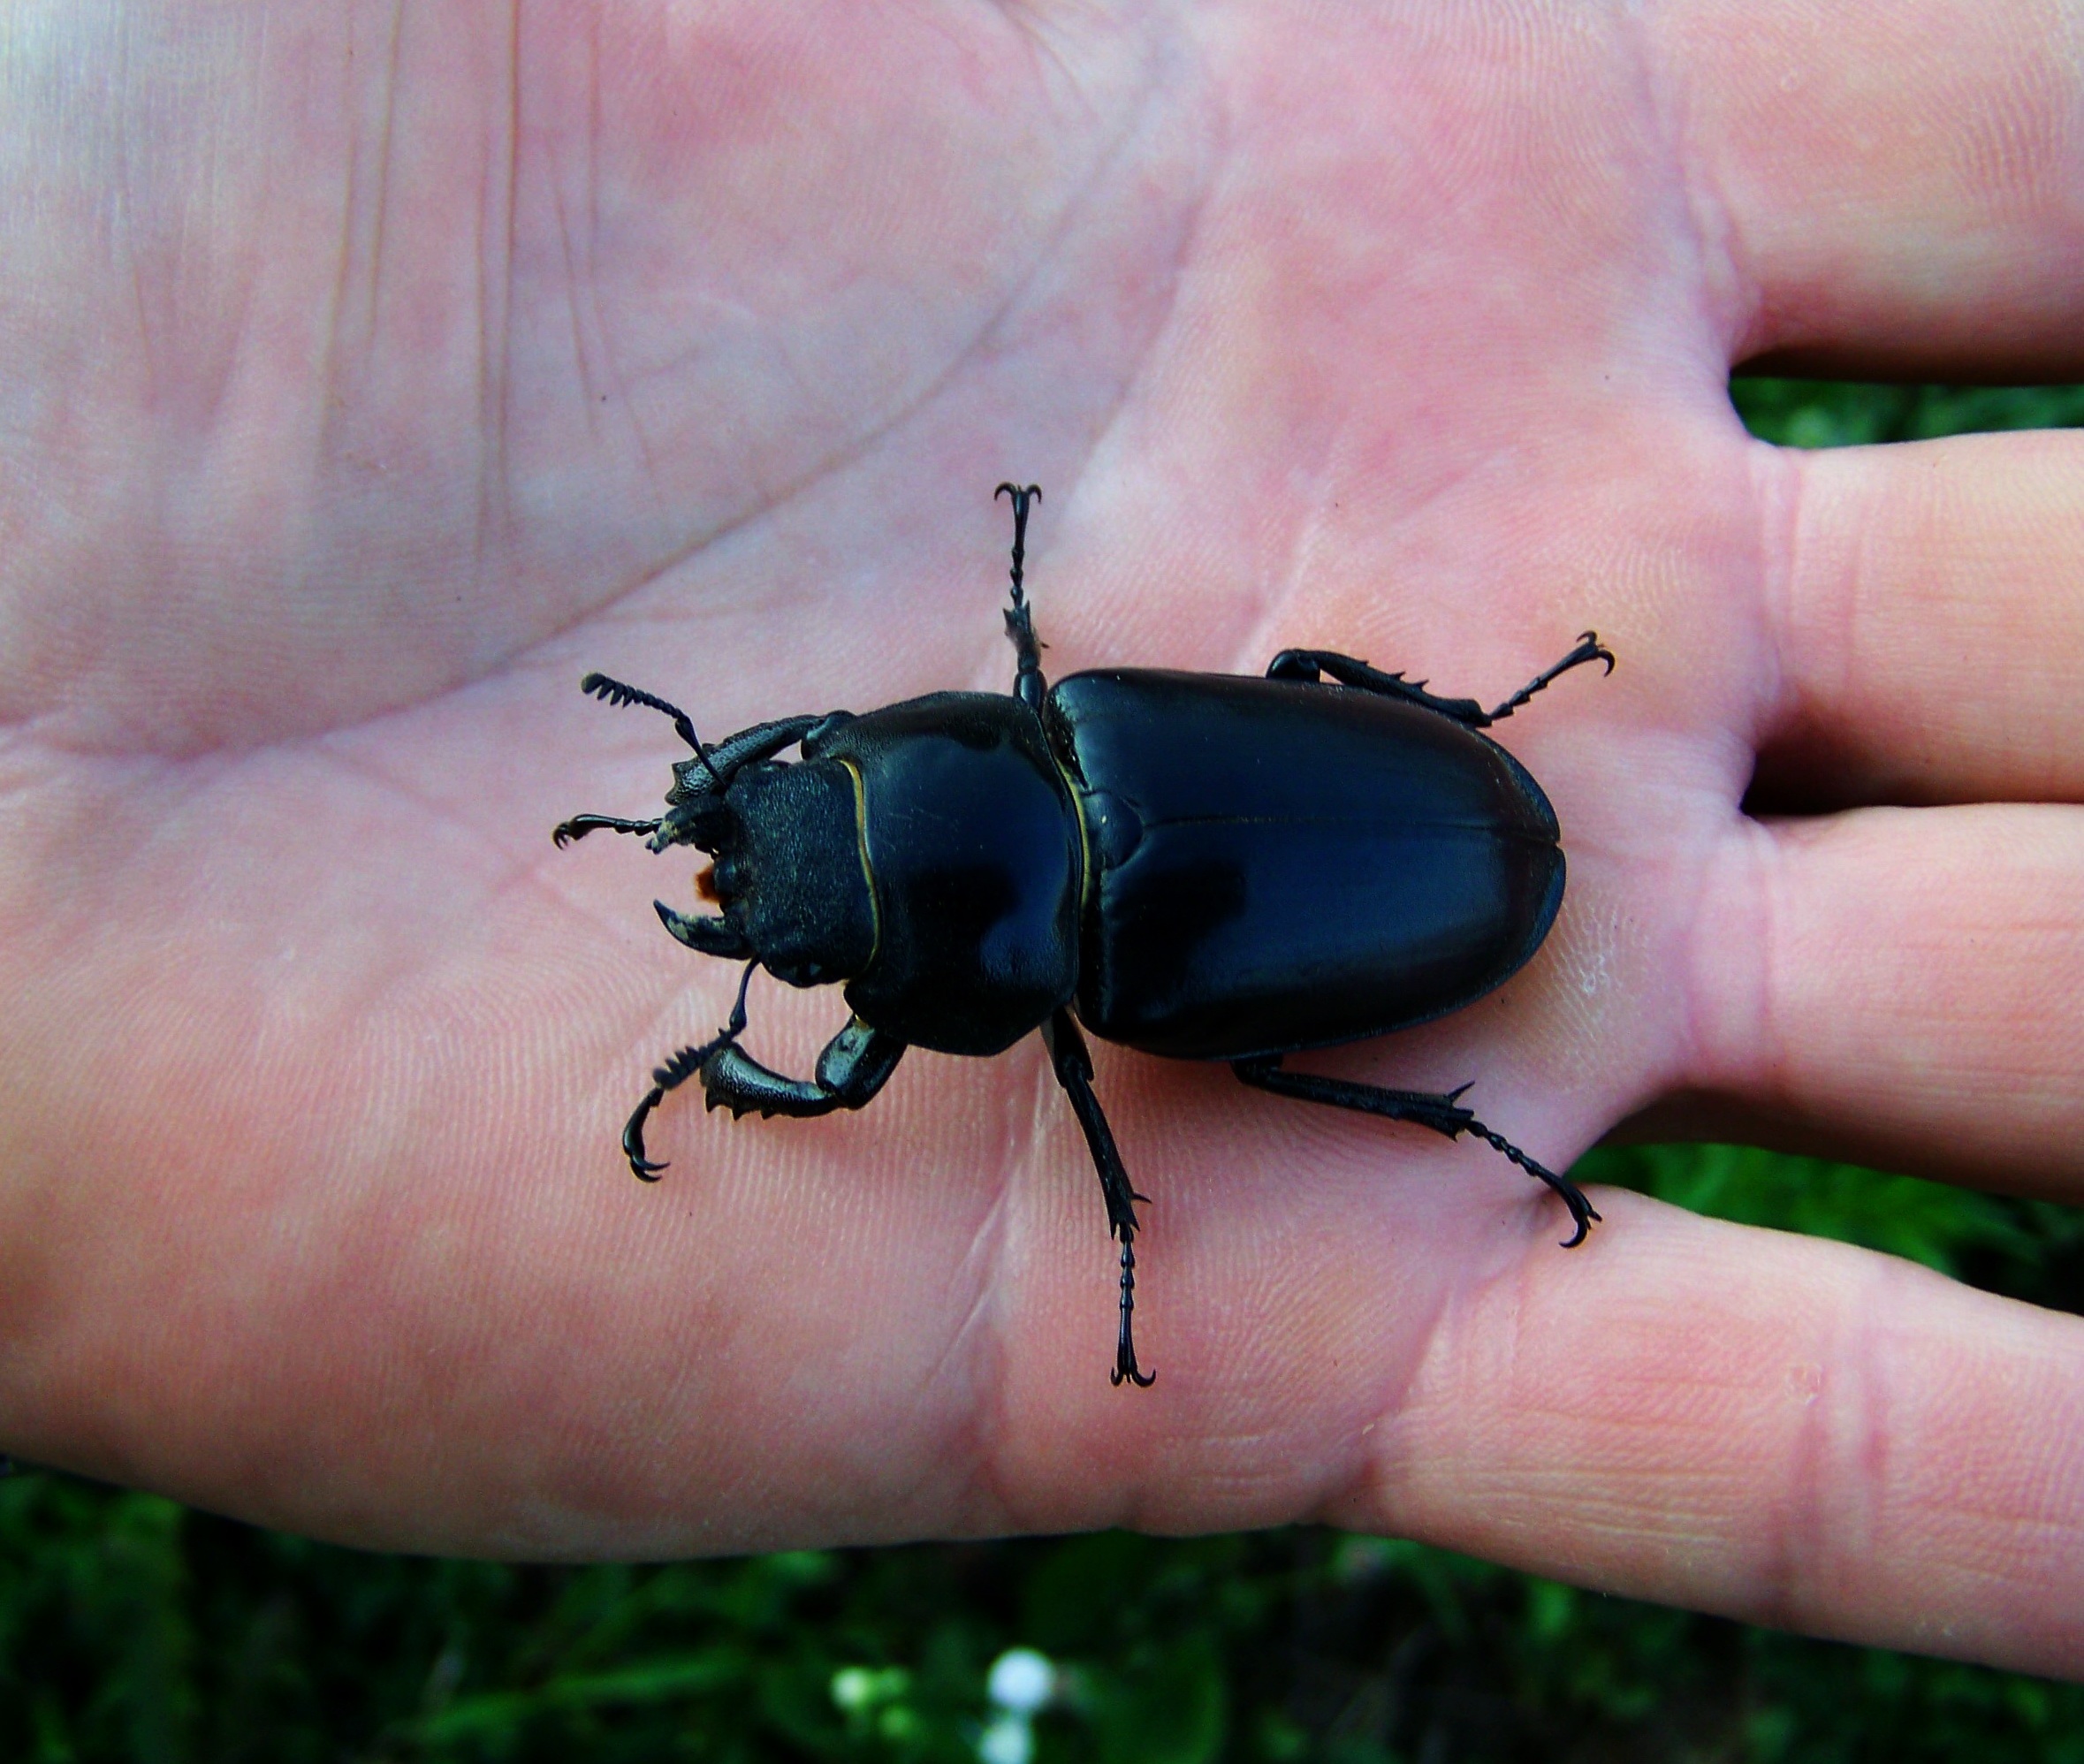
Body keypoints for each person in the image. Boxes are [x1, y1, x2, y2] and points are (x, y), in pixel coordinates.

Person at [2, 0, 2078, 1680]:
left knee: (1245, 1023)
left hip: (1433, 857)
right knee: (1252, 906)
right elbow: (917, 835)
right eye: (799, 867)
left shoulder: (1071, 939)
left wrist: (706, 1064)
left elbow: (835, 1067)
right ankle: (1477, 1079)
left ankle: (1474, 1069)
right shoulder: (1061, 719)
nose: (778, 852)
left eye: (803, 803)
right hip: (1413, 837)